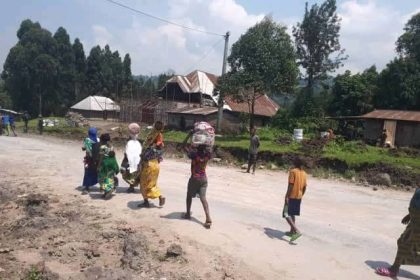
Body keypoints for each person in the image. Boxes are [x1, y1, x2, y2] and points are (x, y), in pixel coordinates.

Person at [376, 188, 420, 277]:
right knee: (405, 242)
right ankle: (395, 268)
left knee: (404, 242)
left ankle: (394, 269)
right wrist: (409, 215)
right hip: (415, 219)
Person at [179, 131, 212, 229]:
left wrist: (189, 135)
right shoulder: (207, 154)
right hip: (204, 179)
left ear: (197, 145)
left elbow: (182, 146)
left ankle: (188, 214)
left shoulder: (194, 154)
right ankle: (208, 218)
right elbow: (210, 147)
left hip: (195, 178)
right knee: (203, 198)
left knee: (189, 195)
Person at [138, 121, 166, 208]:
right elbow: (160, 150)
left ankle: (148, 200)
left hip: (148, 165)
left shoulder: (150, 142)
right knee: (152, 183)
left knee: (143, 184)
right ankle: (159, 197)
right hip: (155, 164)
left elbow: (143, 155)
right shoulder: (159, 145)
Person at [283, 157, 307, 242]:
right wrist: (301, 194)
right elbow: (304, 187)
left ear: (295, 163)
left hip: (292, 196)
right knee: (292, 213)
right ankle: (291, 231)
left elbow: (291, 185)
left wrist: (286, 196)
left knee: (286, 214)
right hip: (299, 196)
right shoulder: (304, 173)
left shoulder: (293, 172)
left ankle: (296, 231)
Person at [122, 123, 142, 193]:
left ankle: (131, 187)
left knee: (129, 174)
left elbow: (127, 153)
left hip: (130, 161)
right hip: (137, 161)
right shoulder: (138, 143)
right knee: (133, 174)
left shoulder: (129, 142)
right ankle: (132, 186)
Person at [98, 133, 119, 198]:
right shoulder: (111, 146)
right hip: (112, 163)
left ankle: (108, 191)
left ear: (102, 140)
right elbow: (113, 156)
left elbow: (101, 157)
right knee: (110, 177)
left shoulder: (102, 147)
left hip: (105, 164)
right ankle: (108, 190)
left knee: (103, 177)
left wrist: (98, 166)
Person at [81, 127, 100, 194]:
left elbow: (87, 149)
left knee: (88, 172)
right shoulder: (98, 139)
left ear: (89, 133)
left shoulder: (87, 140)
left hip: (89, 159)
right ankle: (102, 186)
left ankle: (87, 188)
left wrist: (84, 148)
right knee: (97, 172)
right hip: (97, 159)